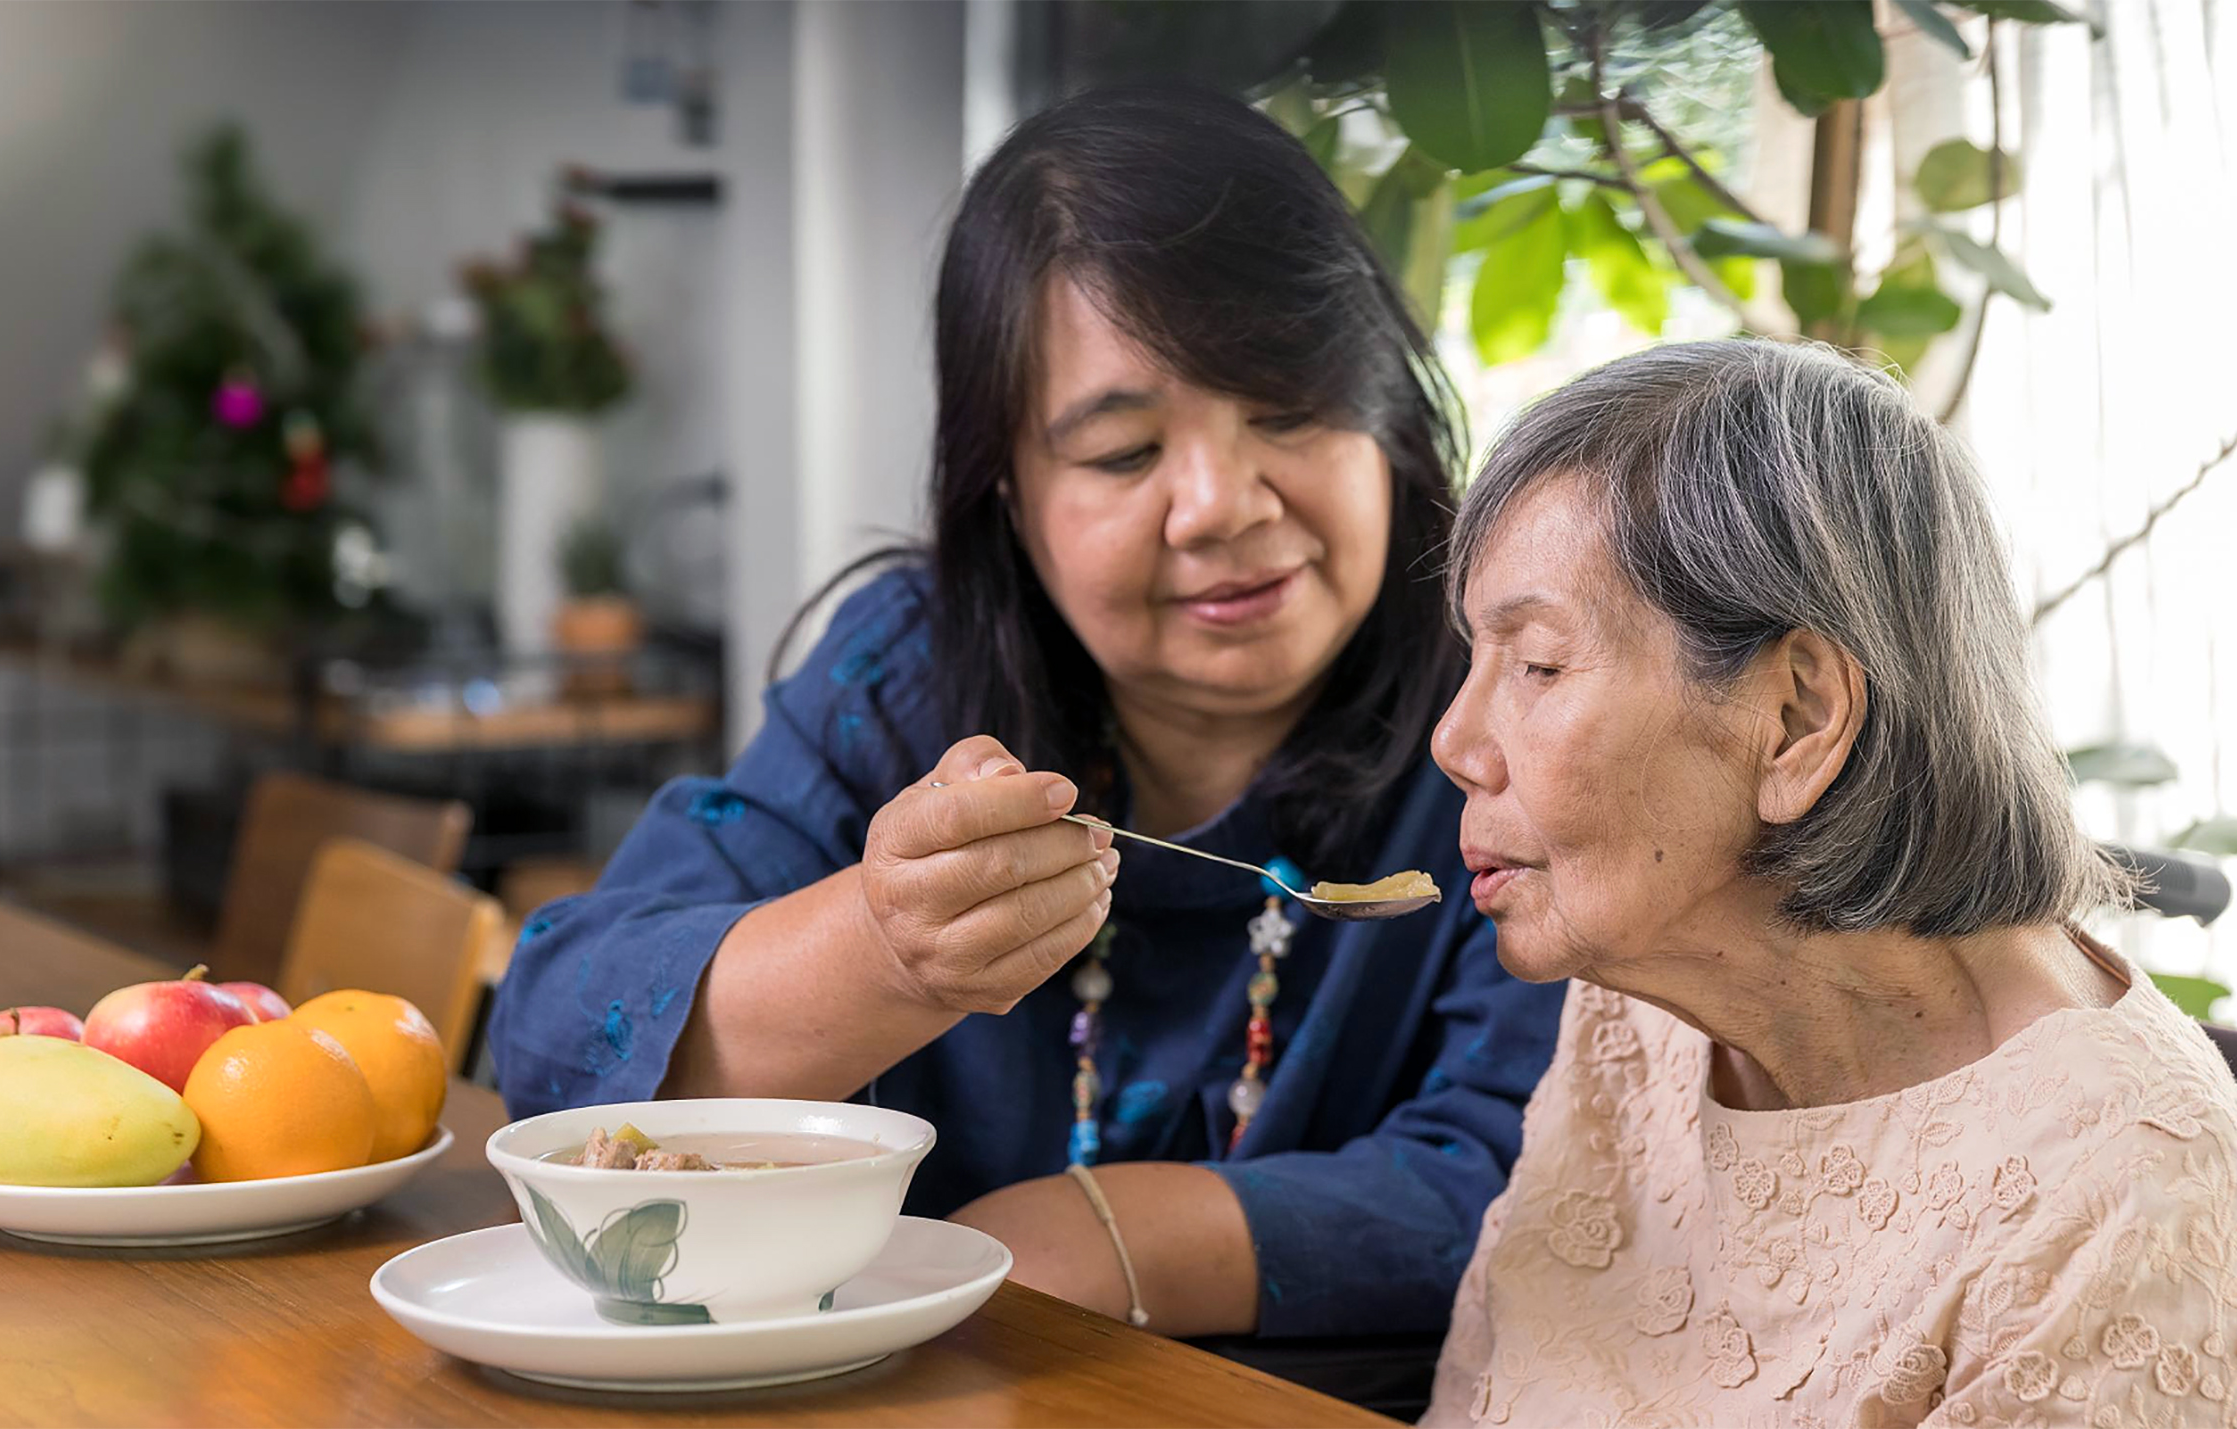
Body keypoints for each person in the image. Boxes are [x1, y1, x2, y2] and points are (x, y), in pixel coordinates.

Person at [488, 86, 1566, 1341]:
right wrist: (883, 950)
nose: (1219, 503)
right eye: (1121, 454)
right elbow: (561, 1042)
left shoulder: (1516, 714)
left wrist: (1094, 1239)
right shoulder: (906, 674)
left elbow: (1537, 1168)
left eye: (1287, 408)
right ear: (1006, 491)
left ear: (1387, 413)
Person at [1425, 340, 2237, 1426]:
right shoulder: (1642, 1016)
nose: (1455, 739)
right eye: (1475, 661)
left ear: (1796, 719)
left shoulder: (2116, 1213)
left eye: (1537, 664)